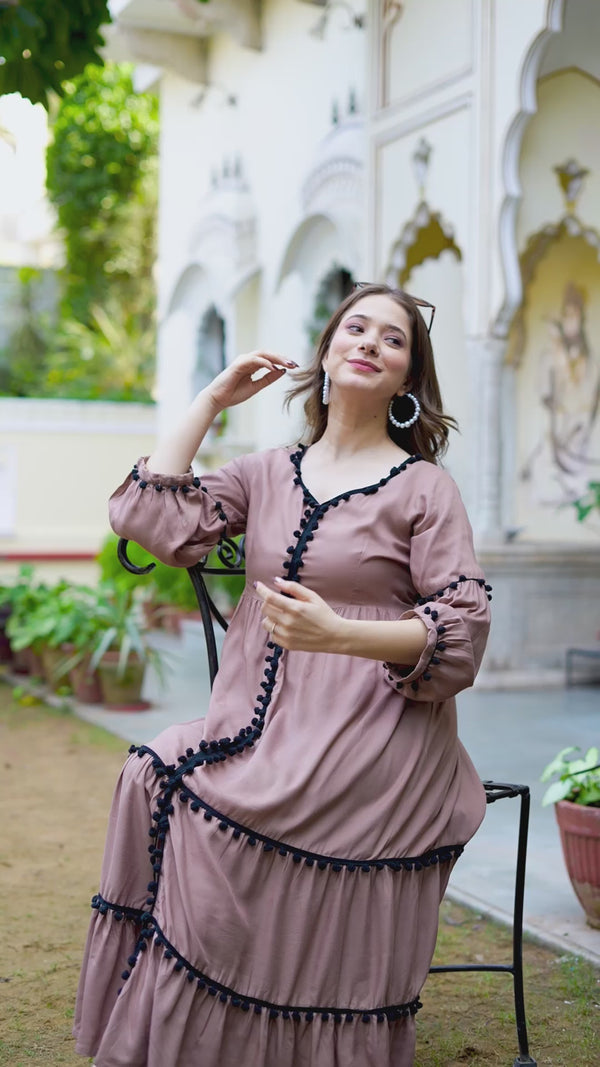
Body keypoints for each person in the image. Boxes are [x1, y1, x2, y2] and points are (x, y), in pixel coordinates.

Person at [74, 283, 491, 1067]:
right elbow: (148, 519)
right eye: (355, 327)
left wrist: (339, 634)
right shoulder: (268, 471)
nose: (370, 342)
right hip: (256, 722)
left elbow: (463, 628)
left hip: (378, 733)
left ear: (407, 377)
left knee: (221, 809)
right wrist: (210, 398)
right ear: (328, 351)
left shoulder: (425, 488)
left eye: (393, 339)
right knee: (154, 772)